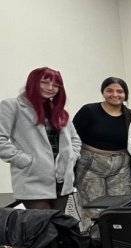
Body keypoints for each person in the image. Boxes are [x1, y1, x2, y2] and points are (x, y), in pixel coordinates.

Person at [0, 67, 81, 210]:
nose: (51, 88)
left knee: (60, 222)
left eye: (56, 85)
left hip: (62, 180)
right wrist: (23, 160)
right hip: (33, 178)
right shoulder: (13, 106)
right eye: (45, 82)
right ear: (33, 82)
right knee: (42, 222)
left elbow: (75, 139)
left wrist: (72, 157)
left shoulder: (59, 111)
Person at [73, 77, 131, 224]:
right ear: (103, 92)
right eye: (110, 90)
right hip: (91, 165)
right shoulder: (88, 111)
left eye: (119, 91)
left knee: (121, 208)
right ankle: (95, 238)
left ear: (125, 94)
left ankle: (118, 238)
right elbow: (73, 137)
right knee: (94, 210)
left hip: (121, 166)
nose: (115, 94)